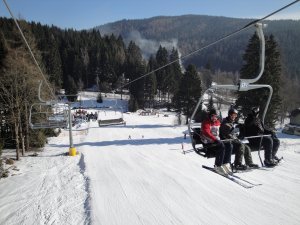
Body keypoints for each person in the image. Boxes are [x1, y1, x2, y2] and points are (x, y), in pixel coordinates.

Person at [201, 109, 232, 174]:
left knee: (229, 145)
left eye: (216, 116)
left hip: (216, 141)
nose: (214, 118)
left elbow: (221, 131)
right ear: (210, 116)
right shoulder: (206, 122)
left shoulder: (217, 122)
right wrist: (215, 139)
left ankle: (226, 164)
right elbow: (206, 132)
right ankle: (217, 166)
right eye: (213, 116)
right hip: (208, 142)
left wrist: (228, 132)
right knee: (221, 146)